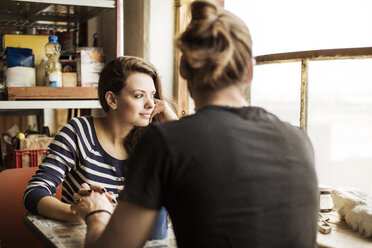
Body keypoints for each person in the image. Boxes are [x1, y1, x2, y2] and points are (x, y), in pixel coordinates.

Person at [73, 1, 319, 247]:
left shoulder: (164, 141)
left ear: (184, 71)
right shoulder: (299, 139)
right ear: (249, 72)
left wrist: (97, 211)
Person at [22, 56, 178, 228]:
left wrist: (175, 125)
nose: (150, 104)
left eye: (153, 95)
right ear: (112, 100)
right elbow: (34, 192)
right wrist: (75, 213)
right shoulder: (78, 131)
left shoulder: (151, 139)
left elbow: (193, 184)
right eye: (139, 95)